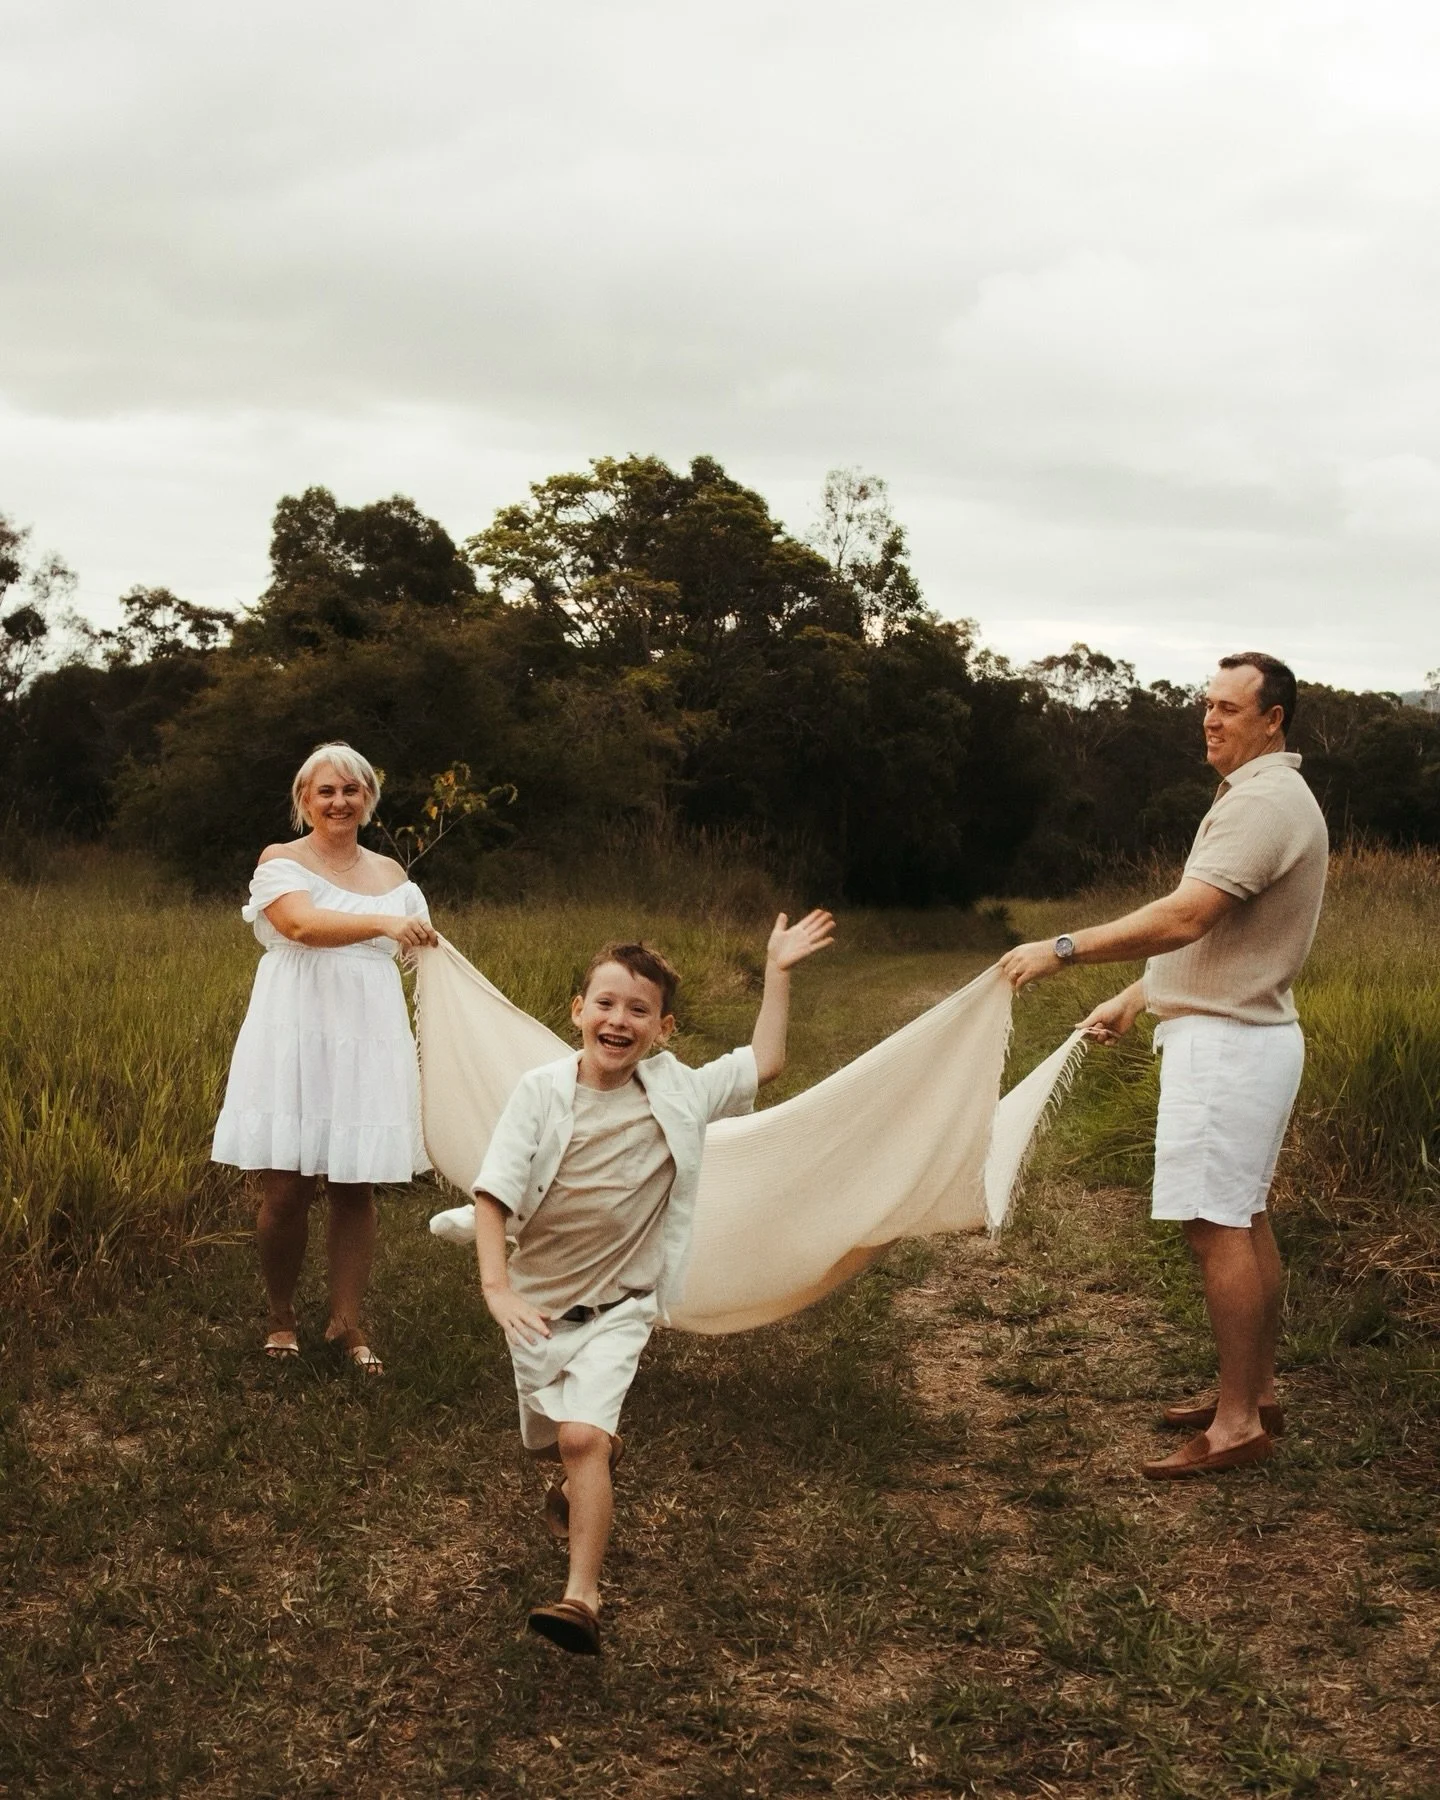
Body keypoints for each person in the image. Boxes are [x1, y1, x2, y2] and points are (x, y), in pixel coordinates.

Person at [998, 653, 1328, 1480]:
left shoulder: (1264, 802)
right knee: (1242, 1217)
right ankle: (1249, 1393)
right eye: (1205, 706)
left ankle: (1238, 1423)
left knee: (1216, 1224)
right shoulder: (1258, 796)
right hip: (1237, 1036)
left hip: (1228, 1048)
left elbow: (1187, 916)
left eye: (1227, 708)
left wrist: (1064, 947)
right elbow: (1221, 939)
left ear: (1273, 718)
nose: (1209, 721)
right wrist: (1136, 997)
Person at [473, 911, 835, 1655]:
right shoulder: (540, 1094)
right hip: (539, 1310)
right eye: (604, 1003)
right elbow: (494, 1194)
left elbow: (765, 1061)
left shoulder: (680, 1092)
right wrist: (497, 1290)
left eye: (639, 1010)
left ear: (663, 1029)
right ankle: (583, 1475)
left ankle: (582, 1597)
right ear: (577, 1012)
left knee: (580, 1437)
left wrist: (777, 972)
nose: (618, 1019)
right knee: (553, 1442)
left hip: (619, 1308)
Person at [212, 743, 438, 1373]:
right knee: (286, 1187)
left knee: (353, 1184)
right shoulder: (279, 862)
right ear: (304, 801)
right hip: (295, 1029)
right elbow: (303, 927)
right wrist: (384, 928)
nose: (339, 802)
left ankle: (346, 1320)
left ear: (368, 799)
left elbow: (426, 959)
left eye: (351, 790)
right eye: (325, 792)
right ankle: (281, 1317)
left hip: (368, 1033)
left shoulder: (396, 878)